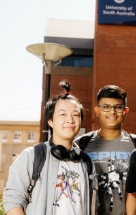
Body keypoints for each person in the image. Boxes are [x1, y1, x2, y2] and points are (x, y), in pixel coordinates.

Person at [3, 81, 98, 215]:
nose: (70, 120)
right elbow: (13, 199)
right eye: (63, 114)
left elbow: (93, 205)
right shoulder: (32, 156)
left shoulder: (87, 162)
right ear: (50, 121)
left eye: (75, 115)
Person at [74, 85, 136, 215]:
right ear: (97, 111)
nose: (112, 112)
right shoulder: (80, 144)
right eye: (106, 107)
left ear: (125, 111)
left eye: (118, 107)